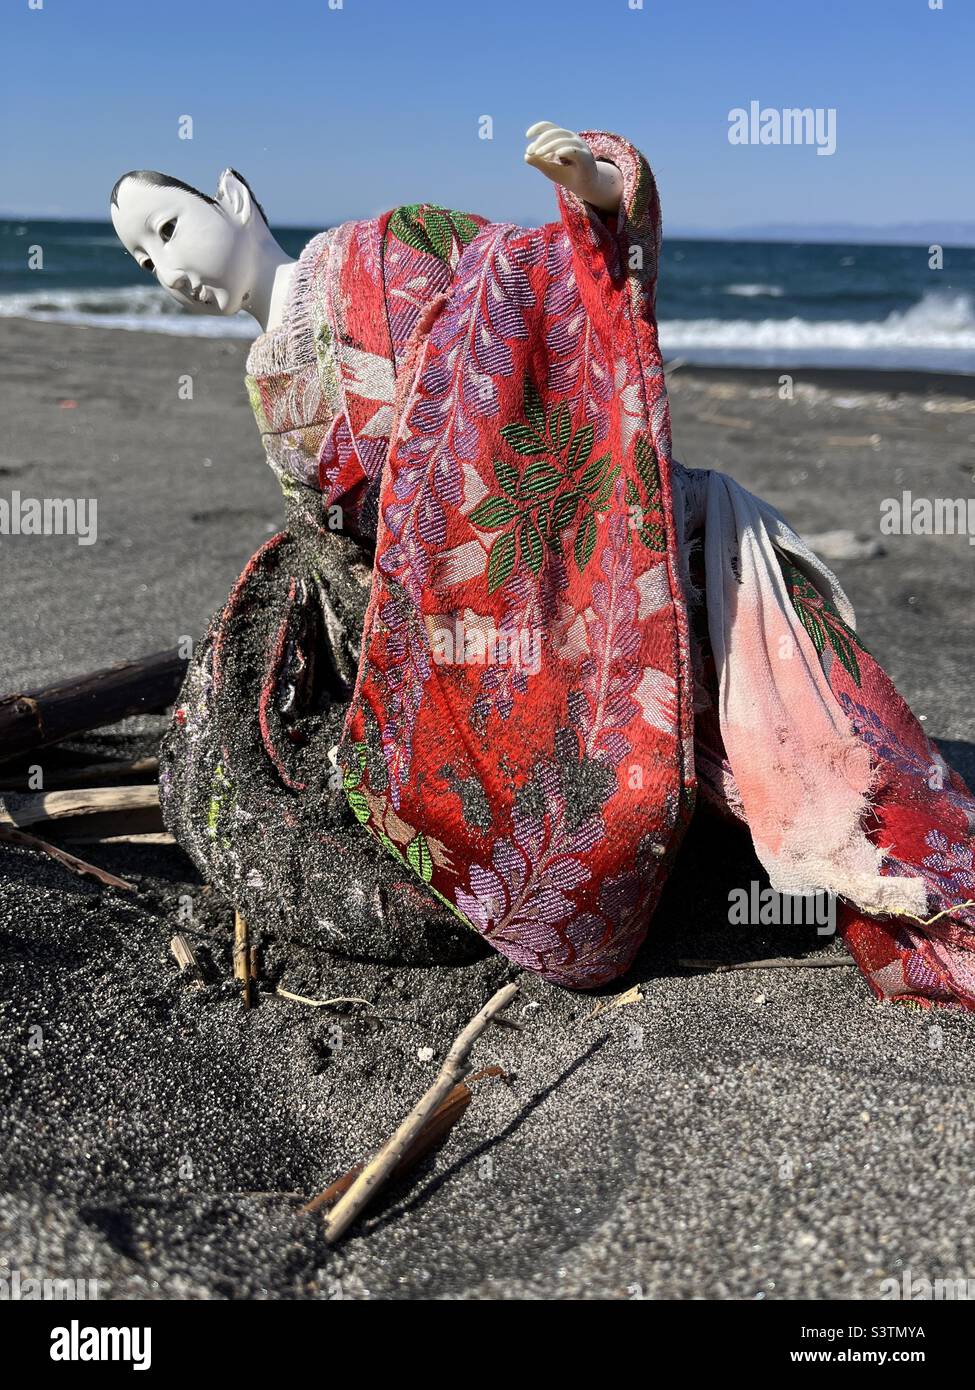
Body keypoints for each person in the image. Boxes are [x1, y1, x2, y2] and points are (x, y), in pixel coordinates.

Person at [110, 125, 975, 1007]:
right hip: (438, 618)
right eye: (142, 261)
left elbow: (543, 272)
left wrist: (597, 188)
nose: (167, 270)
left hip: (564, 552)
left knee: (794, 766)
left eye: (168, 229)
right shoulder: (266, 376)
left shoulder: (384, 249)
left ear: (234, 199)